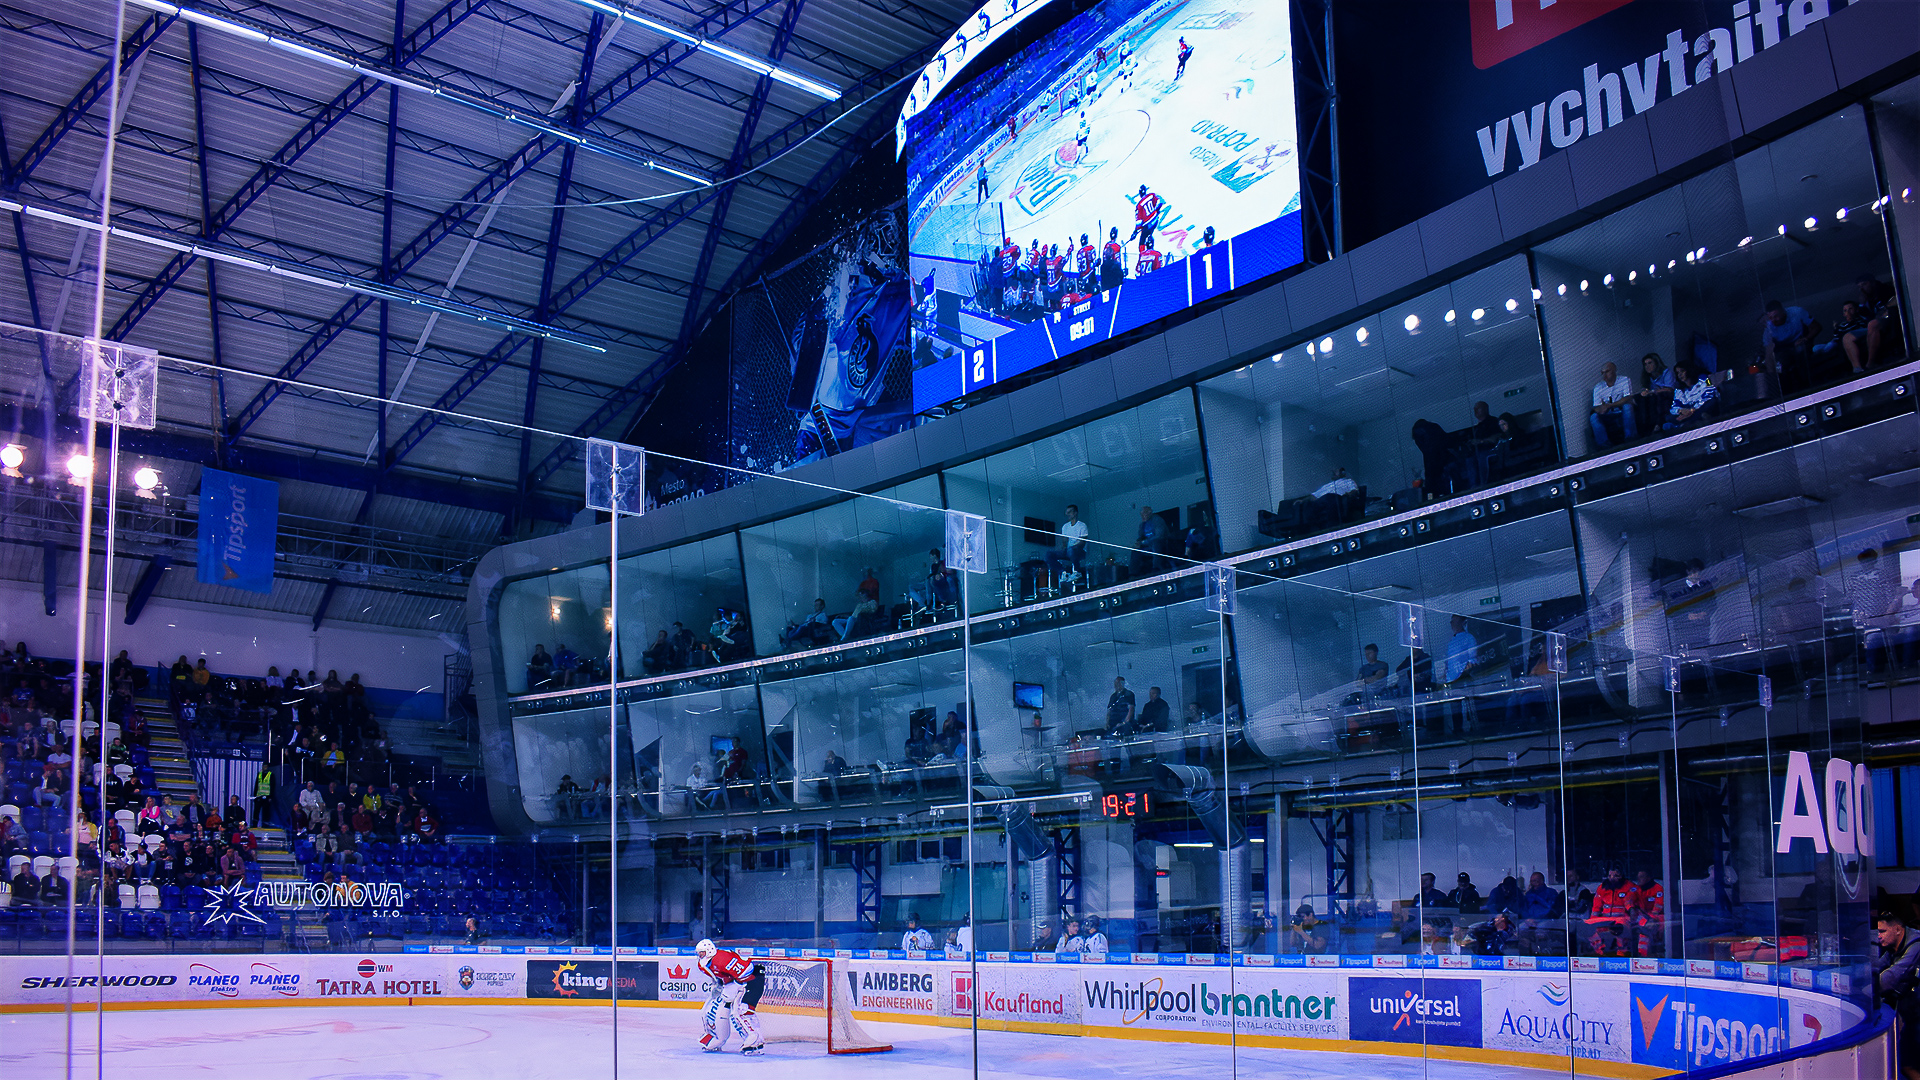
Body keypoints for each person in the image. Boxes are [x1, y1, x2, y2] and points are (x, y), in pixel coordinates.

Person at [694, 938, 766, 1055]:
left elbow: (746, 971)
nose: (700, 955)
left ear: (709, 950)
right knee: (709, 1009)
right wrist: (720, 985)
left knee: (741, 1011)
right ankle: (717, 1037)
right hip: (735, 983)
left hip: (751, 980)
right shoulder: (703, 964)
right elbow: (721, 977)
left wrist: (735, 987)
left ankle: (755, 1039)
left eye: (702, 952)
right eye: (699, 953)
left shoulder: (723, 959)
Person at [1873, 910, 1920, 1076]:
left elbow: (1891, 977)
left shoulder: (1916, 945)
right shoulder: (1893, 946)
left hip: (1916, 1012)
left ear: (1898, 930)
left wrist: (1866, 991)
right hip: (1911, 1011)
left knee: (1911, 1065)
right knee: (1907, 1066)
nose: (1879, 936)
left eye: (1883, 931)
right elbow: (1877, 968)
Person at [1762, 299, 1821, 386]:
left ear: (1783, 311)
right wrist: (1772, 377)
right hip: (1783, 349)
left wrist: (1806, 338)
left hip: (1801, 343)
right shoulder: (1768, 328)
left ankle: (1809, 384)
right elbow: (1768, 353)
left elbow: (1817, 327)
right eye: (1770, 318)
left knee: (1801, 354)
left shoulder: (1797, 312)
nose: (1774, 320)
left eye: (1776, 316)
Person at [1585, 869, 1639, 956]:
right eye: (1610, 876)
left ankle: (1622, 953)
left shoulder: (1630, 886)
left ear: (1622, 876)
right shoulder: (1602, 887)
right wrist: (1592, 922)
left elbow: (1629, 902)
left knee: (1619, 927)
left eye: (1616, 876)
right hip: (1605, 919)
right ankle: (1599, 951)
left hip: (1623, 918)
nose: (1612, 878)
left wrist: (1631, 911)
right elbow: (1596, 907)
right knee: (1587, 925)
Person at [1855, 274, 1901, 369]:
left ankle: (1871, 362)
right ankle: (1858, 367)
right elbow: (1867, 317)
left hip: (1893, 319)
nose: (1862, 288)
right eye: (1860, 287)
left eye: (1864, 284)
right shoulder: (1868, 298)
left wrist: (1886, 308)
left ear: (1872, 282)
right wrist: (1862, 305)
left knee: (1872, 325)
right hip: (1877, 322)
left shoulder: (1885, 289)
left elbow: (1897, 299)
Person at [1589, 361, 1637, 448]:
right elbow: (1596, 407)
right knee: (1593, 417)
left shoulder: (1624, 380)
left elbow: (1627, 398)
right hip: (1608, 415)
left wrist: (1609, 405)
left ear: (1614, 370)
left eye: (1607, 372)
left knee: (1627, 407)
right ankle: (1604, 445)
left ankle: (1630, 439)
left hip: (1621, 412)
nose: (1605, 375)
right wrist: (1601, 409)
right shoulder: (1598, 387)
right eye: (1602, 373)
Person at [1046, 504, 1090, 587]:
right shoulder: (1065, 527)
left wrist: (1073, 547)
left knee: (1071, 550)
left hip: (1080, 551)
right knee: (1049, 554)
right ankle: (1063, 572)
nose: (1067, 514)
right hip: (1069, 551)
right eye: (1066, 512)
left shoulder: (1082, 525)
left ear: (1075, 513)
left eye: (1069, 512)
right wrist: (1062, 549)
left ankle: (1077, 572)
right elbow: (1064, 542)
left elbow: (1082, 542)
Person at [1665, 361, 1717, 429]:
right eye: (1678, 373)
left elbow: (1711, 391)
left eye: (1682, 371)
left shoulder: (1704, 378)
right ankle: (1690, 421)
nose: (1680, 375)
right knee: (1669, 417)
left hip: (1701, 406)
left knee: (1712, 402)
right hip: (1687, 411)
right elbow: (1673, 408)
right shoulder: (1679, 390)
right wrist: (1681, 411)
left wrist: (1693, 410)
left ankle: (1688, 422)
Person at [1625, 870, 1666, 957]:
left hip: (1657, 918)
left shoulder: (1658, 889)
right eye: (1638, 877)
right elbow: (1628, 899)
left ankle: (1654, 953)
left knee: (1653, 929)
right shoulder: (1636, 888)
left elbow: (1658, 906)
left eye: (1641, 877)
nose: (1638, 879)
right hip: (1643, 917)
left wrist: (1651, 918)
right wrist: (1631, 908)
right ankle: (1639, 955)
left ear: (1648, 878)